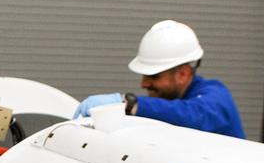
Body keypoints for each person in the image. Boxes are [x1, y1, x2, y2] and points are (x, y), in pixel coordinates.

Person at [73, 19, 246, 138]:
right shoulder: (169, 105)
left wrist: (129, 104)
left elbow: (192, 115)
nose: (144, 84)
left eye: (154, 76)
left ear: (183, 74)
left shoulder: (216, 99)